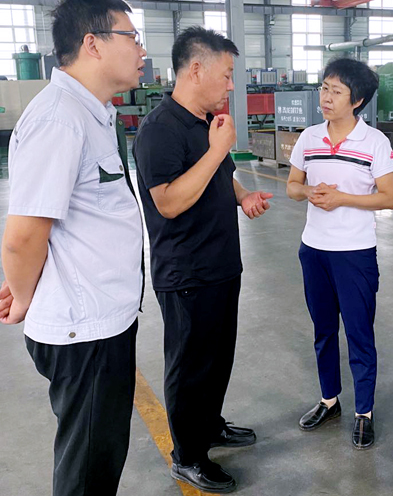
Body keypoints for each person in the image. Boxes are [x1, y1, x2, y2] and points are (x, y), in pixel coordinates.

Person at [0, 0, 146, 496]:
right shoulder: (59, 118)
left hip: (103, 321)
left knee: (100, 457)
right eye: (132, 37)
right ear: (93, 44)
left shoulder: (94, 113)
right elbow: (23, 236)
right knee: (87, 473)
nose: (141, 50)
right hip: (84, 334)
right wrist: (24, 295)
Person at [133, 26, 273, 494]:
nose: (231, 84)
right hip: (186, 272)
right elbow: (169, 202)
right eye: (227, 74)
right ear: (196, 69)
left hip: (221, 265)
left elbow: (222, 175)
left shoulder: (206, 123)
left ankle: (208, 426)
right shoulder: (160, 130)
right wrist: (216, 150)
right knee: (190, 367)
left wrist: (243, 196)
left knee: (216, 359)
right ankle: (188, 456)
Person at [286, 57, 393, 449]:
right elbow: (292, 186)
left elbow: (388, 197)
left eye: (336, 91)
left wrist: (341, 198)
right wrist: (308, 192)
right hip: (314, 251)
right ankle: (329, 400)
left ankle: (364, 411)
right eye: (324, 88)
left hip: (354, 254)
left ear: (357, 100)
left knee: (359, 334)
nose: (326, 97)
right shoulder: (309, 137)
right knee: (323, 331)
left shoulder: (375, 142)